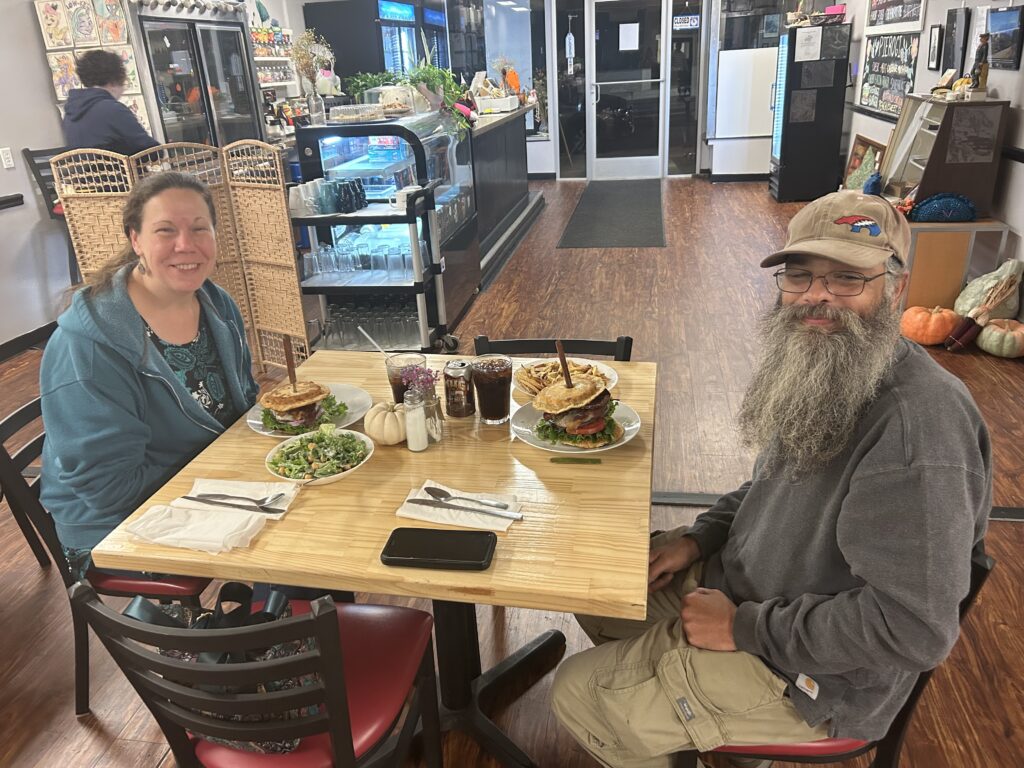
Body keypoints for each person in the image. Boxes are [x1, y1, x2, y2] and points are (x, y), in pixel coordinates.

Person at [551, 190, 991, 768]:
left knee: (578, 695)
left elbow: (912, 628)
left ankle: (683, 715)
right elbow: (769, 489)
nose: (816, 298)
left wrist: (744, 628)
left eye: (847, 280)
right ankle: (693, 721)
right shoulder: (829, 367)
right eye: (800, 275)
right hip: (749, 593)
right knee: (598, 585)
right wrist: (698, 538)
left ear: (896, 288)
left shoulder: (918, 431)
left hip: (816, 676)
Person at [40, 172, 259, 578]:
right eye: (165, 231)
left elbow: (244, 400)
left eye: (199, 228)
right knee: (294, 541)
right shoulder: (89, 346)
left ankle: (275, 617)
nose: (185, 245)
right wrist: (223, 475)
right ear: (135, 239)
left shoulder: (216, 302)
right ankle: (256, 627)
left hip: (205, 484)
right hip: (112, 529)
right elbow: (107, 490)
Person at [63, 49, 159, 156]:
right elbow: (151, 151)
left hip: (86, 172)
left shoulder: (70, 114)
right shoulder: (113, 109)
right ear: (114, 80)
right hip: (123, 171)